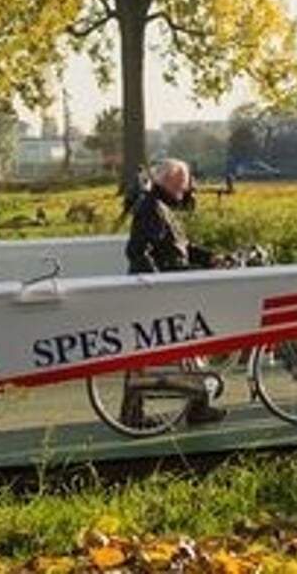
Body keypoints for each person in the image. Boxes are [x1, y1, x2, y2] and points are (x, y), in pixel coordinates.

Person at [121, 159, 223, 425]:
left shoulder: (161, 205)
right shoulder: (152, 208)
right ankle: (132, 414)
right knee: (150, 350)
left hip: (168, 285)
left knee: (188, 344)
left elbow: (181, 247)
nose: (187, 188)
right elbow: (137, 250)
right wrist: (157, 285)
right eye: (182, 183)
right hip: (161, 288)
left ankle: (197, 406)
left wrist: (211, 258)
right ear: (168, 181)